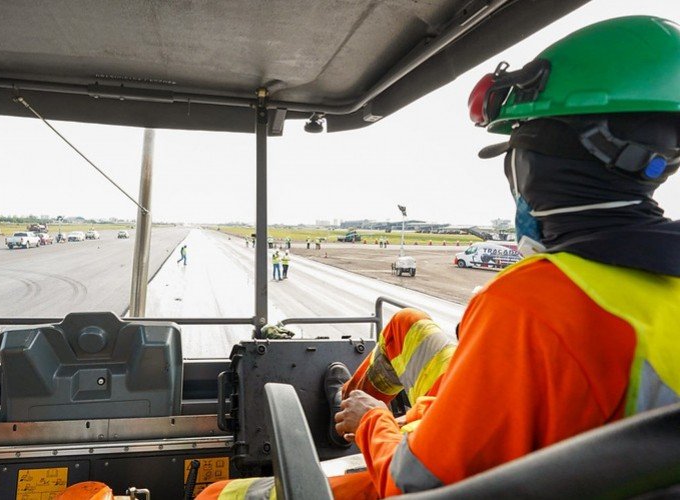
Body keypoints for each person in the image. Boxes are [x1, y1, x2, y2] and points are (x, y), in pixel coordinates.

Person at [199, 16, 680, 499]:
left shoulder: (531, 303)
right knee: (404, 324)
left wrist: (375, 423)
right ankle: (344, 410)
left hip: (439, 468)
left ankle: (355, 418)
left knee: (219, 494)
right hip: (520, 435)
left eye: (517, 150)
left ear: (531, 166)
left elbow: (415, 484)